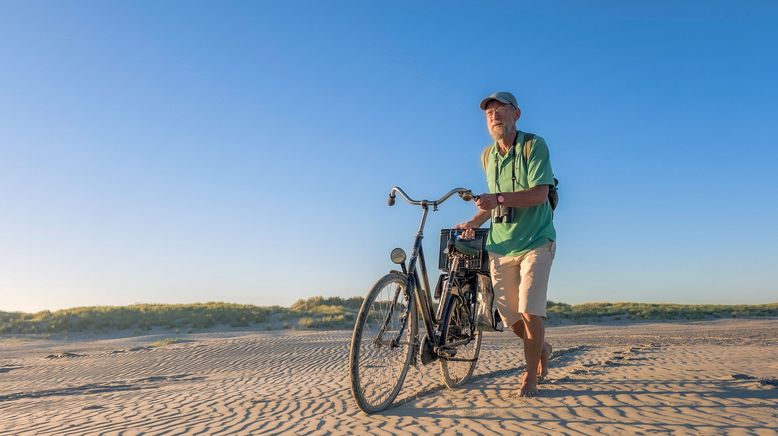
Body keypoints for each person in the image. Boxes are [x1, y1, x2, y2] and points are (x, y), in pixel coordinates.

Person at [456, 91, 556, 398]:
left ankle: (530, 378)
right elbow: (492, 203)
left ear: (517, 114)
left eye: (501, 110)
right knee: (508, 316)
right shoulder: (487, 156)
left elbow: (539, 194)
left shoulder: (532, 145)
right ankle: (542, 347)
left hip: (536, 240)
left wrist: (497, 199)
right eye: (489, 113)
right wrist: (473, 222)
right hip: (501, 245)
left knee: (529, 311)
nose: (494, 115)